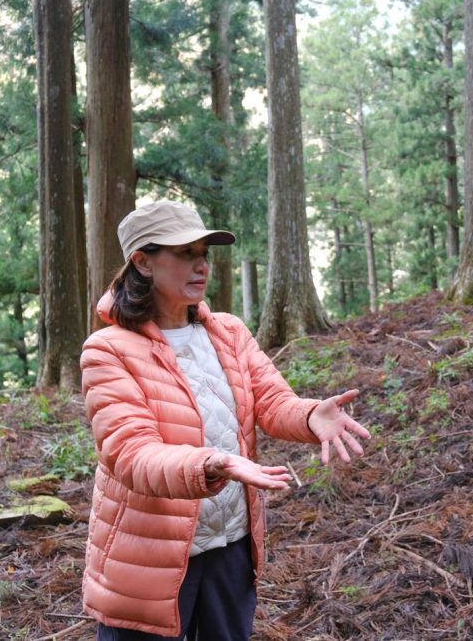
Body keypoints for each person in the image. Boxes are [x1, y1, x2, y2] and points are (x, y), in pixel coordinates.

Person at [79, 200, 371, 640]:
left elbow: (272, 402)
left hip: (231, 544)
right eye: (185, 254)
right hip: (147, 560)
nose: (201, 266)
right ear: (142, 262)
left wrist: (312, 415)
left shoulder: (229, 332)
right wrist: (211, 464)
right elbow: (130, 454)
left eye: (204, 254)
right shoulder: (108, 350)